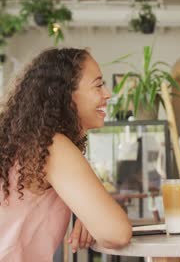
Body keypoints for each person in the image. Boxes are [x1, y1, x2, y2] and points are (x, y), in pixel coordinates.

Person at [0, 48, 132, 261]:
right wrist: (94, 216)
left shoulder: (32, 144)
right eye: (98, 85)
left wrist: (87, 213)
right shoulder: (53, 146)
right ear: (65, 94)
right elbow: (117, 233)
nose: (107, 94)